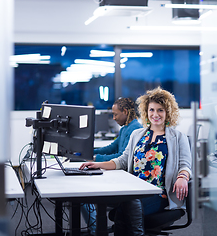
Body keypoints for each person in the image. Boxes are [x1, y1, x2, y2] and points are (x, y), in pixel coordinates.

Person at [80, 87, 192, 236]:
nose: (155, 114)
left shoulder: (177, 137)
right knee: (126, 205)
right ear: (146, 111)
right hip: (134, 190)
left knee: (126, 207)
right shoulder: (137, 134)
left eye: (160, 110)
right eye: (152, 110)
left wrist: (183, 177)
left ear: (168, 112)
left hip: (159, 194)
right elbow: (123, 161)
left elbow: (185, 165)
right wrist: (98, 164)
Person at [82, 97, 142, 235]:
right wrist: (89, 153)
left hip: (124, 178)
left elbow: (121, 155)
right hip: (118, 173)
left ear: (125, 112)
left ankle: (95, 230)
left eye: (115, 114)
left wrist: (96, 159)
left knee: (84, 195)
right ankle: (95, 228)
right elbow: (111, 148)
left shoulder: (135, 129)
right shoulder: (126, 128)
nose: (114, 118)